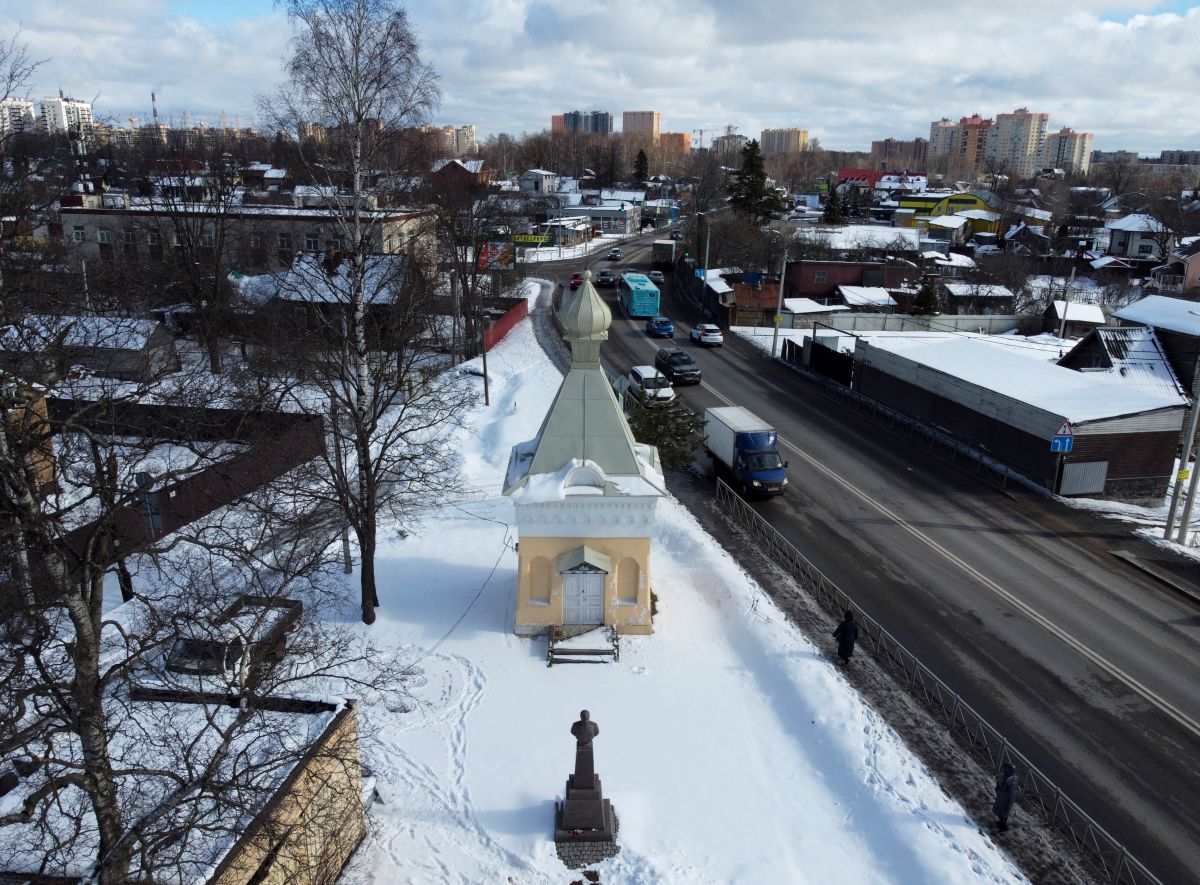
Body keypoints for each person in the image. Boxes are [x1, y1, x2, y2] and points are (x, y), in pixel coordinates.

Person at [993, 761, 1018, 831]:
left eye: (1005, 769)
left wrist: (997, 789)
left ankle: (1003, 827)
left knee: (1000, 811)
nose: (1003, 770)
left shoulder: (1006, 779)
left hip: (1005, 798)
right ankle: (1002, 824)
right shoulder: (1015, 777)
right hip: (1011, 797)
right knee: (1006, 812)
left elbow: (1001, 790)